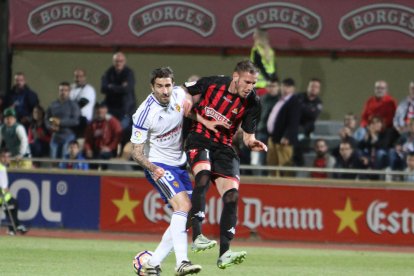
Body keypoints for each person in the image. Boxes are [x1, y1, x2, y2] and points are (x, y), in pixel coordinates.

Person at [183, 60, 267, 269]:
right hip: (200, 139)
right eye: (247, 82)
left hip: (224, 148)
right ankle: (198, 236)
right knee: (202, 177)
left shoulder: (253, 103)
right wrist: (187, 102)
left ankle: (225, 253)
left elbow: (248, 135)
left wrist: (251, 142)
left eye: (254, 83)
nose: (250, 87)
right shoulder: (212, 83)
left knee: (232, 196)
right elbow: (185, 91)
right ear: (236, 77)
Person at [130, 67, 202, 276]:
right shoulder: (144, 113)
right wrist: (154, 169)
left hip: (179, 165)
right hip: (158, 165)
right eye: (160, 86)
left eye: (168, 85)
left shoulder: (180, 94)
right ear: (152, 87)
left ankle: (152, 262)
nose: (165, 90)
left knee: (188, 214)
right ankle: (182, 262)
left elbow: (197, 86)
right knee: (184, 205)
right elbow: (136, 152)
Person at [101, 52, 136, 148]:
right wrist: (120, 87)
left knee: (122, 132)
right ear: (113, 61)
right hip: (111, 109)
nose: (118, 63)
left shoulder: (129, 73)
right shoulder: (108, 72)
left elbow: (127, 89)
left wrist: (111, 87)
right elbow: (103, 88)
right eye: (116, 61)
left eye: (121, 61)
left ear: (124, 62)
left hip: (125, 110)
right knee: (110, 132)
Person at [266, 78, 301, 176]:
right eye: (284, 86)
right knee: (272, 165)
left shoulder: (294, 102)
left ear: (293, 89)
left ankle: (288, 188)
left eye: (288, 87)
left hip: (284, 140)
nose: (285, 89)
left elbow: (294, 121)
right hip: (274, 138)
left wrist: (287, 136)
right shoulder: (280, 100)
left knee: (285, 166)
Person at [250, 78, 280, 175]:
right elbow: (256, 115)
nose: (271, 88)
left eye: (273, 86)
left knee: (272, 160)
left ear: (278, 87)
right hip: (261, 132)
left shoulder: (281, 101)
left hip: (275, 135)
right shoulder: (262, 99)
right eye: (269, 86)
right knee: (259, 159)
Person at [45, 82, 81, 159]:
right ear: (58, 91)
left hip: (68, 136)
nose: (63, 92)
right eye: (61, 90)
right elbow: (46, 118)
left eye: (65, 90)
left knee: (64, 161)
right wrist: (50, 126)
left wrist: (60, 122)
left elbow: (76, 121)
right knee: (53, 160)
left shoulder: (73, 105)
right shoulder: (53, 104)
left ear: (69, 91)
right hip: (55, 136)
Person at [83, 103, 122, 170]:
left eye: (102, 110)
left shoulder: (112, 122)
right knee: (85, 156)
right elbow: (87, 140)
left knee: (102, 156)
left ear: (106, 110)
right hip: (95, 149)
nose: (99, 112)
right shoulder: (92, 123)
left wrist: (109, 148)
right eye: (98, 110)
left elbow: (118, 137)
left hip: (109, 150)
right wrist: (88, 149)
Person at [295, 78, 323, 166]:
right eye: (312, 86)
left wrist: (301, 107)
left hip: (308, 128)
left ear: (319, 90)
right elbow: (295, 112)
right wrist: (308, 110)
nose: (314, 88)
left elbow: (313, 115)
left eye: (316, 87)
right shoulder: (299, 96)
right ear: (308, 87)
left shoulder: (318, 102)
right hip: (295, 125)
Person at [0, 148, 28, 235]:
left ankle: (14, 227)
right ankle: (14, 227)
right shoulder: (1, 169)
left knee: (13, 203)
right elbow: (3, 187)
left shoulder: (3, 167)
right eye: (4, 157)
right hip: (2, 198)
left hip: (4, 197)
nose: (7, 159)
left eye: (8, 157)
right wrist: (6, 191)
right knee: (12, 204)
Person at [250, 28, 277, 97]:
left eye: (254, 33)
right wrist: (272, 80)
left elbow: (258, 65)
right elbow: (273, 68)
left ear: (257, 36)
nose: (253, 35)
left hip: (258, 85)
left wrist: (267, 78)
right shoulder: (270, 51)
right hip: (269, 85)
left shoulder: (256, 49)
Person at [70, 68, 96, 137]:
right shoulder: (71, 88)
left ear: (84, 77)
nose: (78, 79)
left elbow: (81, 104)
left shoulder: (89, 89)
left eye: (80, 76)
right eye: (76, 76)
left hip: (83, 121)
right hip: (71, 120)